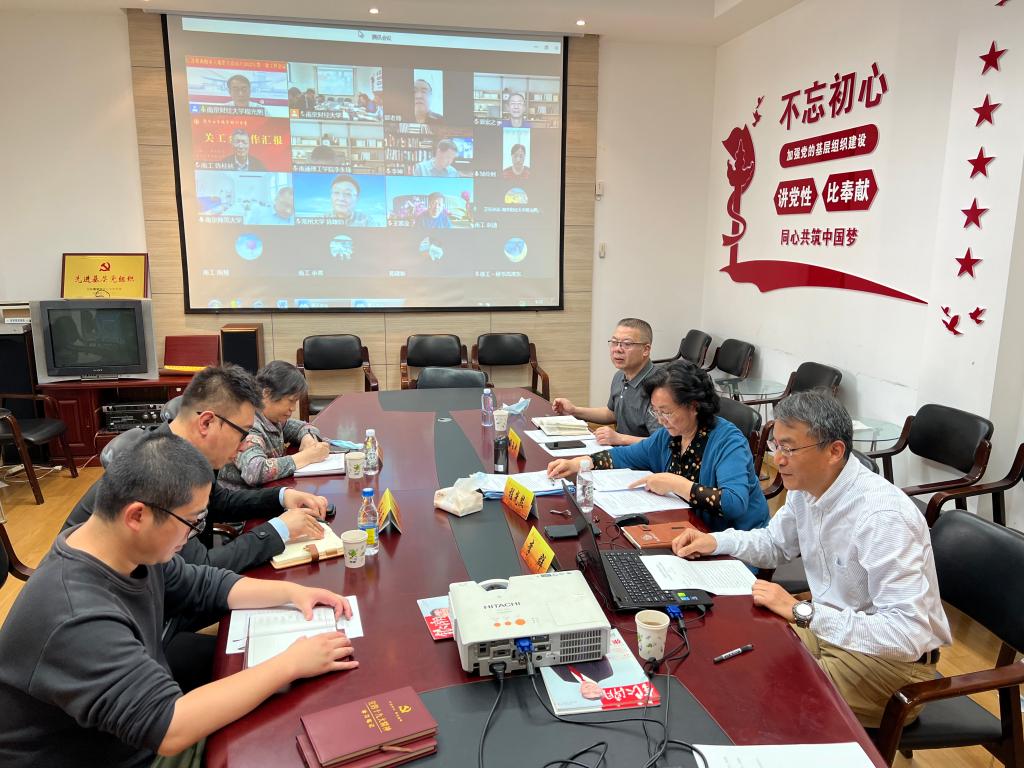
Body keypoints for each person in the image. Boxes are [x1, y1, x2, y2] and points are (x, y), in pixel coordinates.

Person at [0, 432, 358, 768]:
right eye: (191, 521)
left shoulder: (118, 546)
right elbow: (169, 727)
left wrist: (294, 593)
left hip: (135, 732)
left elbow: (203, 584)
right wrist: (290, 664)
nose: (193, 534)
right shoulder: (75, 616)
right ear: (137, 515)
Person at [671, 391, 952, 727]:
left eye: (789, 449)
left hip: (890, 664)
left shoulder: (883, 517)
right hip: (830, 630)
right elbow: (774, 543)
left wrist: (801, 611)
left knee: (762, 698)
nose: (778, 460)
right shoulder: (808, 487)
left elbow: (906, 634)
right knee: (734, 655)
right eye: (776, 446)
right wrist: (715, 541)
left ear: (834, 451)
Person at [65, 364, 328, 575]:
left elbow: (219, 502)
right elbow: (199, 569)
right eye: (243, 434)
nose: (244, 446)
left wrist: (281, 496)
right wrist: (278, 530)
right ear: (206, 423)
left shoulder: (188, 451)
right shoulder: (162, 472)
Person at [548, 360, 769, 533]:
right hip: (684, 528)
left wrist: (676, 484)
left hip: (733, 541)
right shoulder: (669, 435)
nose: (661, 420)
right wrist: (581, 463)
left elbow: (734, 503)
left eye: (667, 412)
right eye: (656, 411)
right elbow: (626, 456)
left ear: (694, 406)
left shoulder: (728, 441)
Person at [219, 361, 330, 488]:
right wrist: (307, 456)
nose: (293, 408)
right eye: (291, 401)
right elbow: (254, 471)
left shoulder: (273, 419)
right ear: (266, 394)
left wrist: (308, 439)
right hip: (242, 496)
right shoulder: (249, 425)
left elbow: (304, 426)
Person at [552, 318, 661, 445]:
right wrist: (574, 411)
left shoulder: (660, 387)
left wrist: (619, 438)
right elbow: (612, 413)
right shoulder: (619, 376)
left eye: (627, 344)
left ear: (646, 350)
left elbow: (662, 442)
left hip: (644, 456)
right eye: (614, 342)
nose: (617, 349)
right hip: (621, 449)